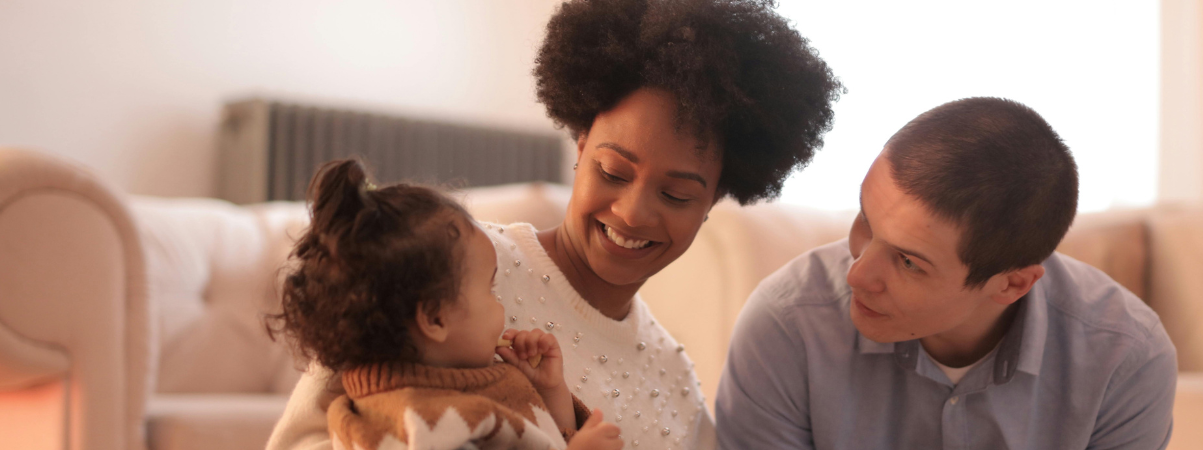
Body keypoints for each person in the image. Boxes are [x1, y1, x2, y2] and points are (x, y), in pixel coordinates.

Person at [265, 1, 841, 449]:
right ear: (580, 143)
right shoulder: (441, 268)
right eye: (614, 171)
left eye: (676, 193)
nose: (634, 212)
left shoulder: (672, 381)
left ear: (714, 199)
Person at [717, 98, 1178, 449]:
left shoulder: (1127, 359)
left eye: (908, 262)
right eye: (866, 222)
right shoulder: (786, 326)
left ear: (1012, 284)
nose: (857, 275)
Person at [267, 160, 622, 450]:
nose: (502, 306)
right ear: (435, 318)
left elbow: (544, 441)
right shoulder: (408, 423)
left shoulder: (474, 381)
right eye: (490, 288)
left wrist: (549, 391)